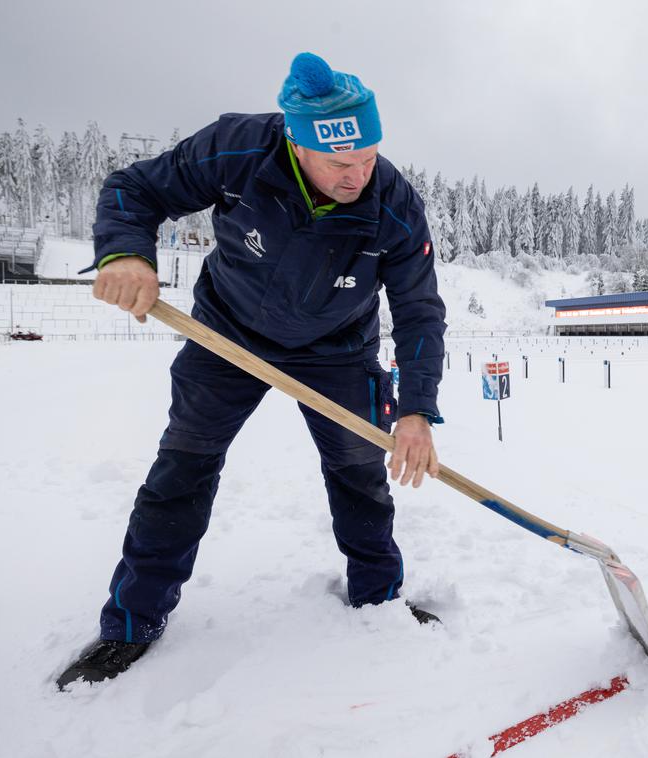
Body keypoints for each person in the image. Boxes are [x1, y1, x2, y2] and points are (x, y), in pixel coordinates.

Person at [57, 53, 447, 689]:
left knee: (359, 477)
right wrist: (126, 253)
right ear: (297, 143)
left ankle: (377, 599)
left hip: (337, 351)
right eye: (341, 164)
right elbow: (136, 189)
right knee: (182, 469)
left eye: (369, 156)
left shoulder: (393, 204)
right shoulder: (239, 149)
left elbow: (419, 308)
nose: (359, 176)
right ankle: (131, 625)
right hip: (226, 337)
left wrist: (416, 408)